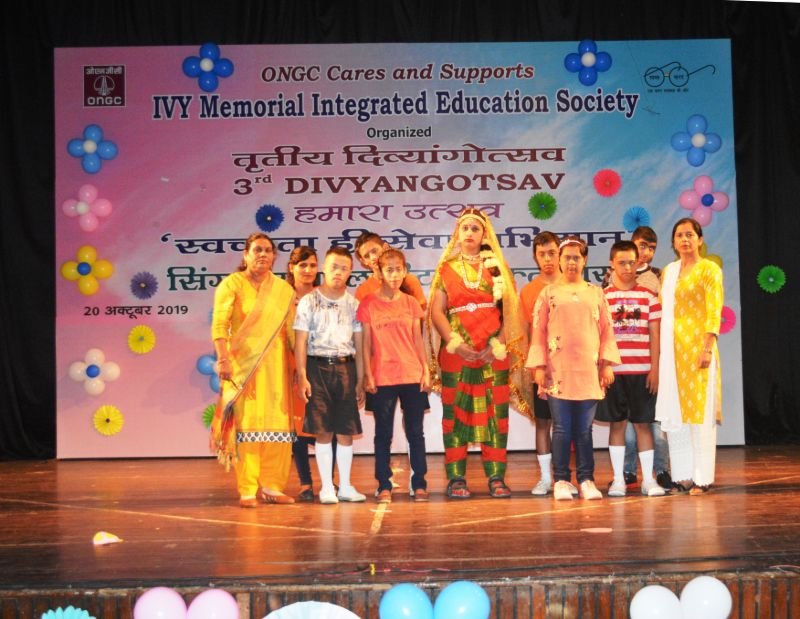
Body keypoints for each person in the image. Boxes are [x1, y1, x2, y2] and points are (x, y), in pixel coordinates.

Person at [427, 207, 530, 499]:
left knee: (496, 416)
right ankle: (456, 479)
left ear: (485, 235)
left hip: (493, 354)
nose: (470, 233)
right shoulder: (445, 269)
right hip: (456, 354)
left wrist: (496, 344)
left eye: (475, 228)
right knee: (455, 416)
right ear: (457, 234)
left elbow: (510, 311)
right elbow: (436, 311)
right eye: (465, 228)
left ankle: (496, 477)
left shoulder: (499, 268)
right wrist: (455, 342)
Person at [527, 236, 621, 501]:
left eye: (576, 257)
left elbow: (607, 331)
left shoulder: (596, 293)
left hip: (589, 371)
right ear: (560, 260)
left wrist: (606, 365)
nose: (571, 262)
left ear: (585, 260)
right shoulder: (548, 293)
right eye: (566, 257)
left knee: (584, 430)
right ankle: (560, 480)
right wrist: (539, 366)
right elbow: (538, 332)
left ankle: (586, 479)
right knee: (561, 428)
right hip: (557, 372)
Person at [211, 232, 296, 507]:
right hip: (243, 368)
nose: (262, 255)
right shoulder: (231, 284)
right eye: (257, 250)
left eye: (268, 251)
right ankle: (247, 489)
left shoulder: (283, 290)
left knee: (277, 424)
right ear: (245, 255)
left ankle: (272, 486)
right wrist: (223, 359)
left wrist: (303, 366)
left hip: (277, 369)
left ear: (274, 257)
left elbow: (293, 333)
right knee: (248, 426)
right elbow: (220, 326)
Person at [655, 218, 723, 495]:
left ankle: (702, 477)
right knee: (677, 413)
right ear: (673, 242)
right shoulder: (669, 272)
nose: (685, 240)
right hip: (673, 354)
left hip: (698, 350)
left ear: (700, 239)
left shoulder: (709, 270)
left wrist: (707, 346)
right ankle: (683, 475)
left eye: (690, 235)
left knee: (700, 413)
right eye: (680, 235)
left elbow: (714, 310)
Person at [294, 246, 366, 505]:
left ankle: (345, 486)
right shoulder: (308, 301)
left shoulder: (354, 305)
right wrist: (302, 376)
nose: (338, 272)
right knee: (323, 431)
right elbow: (300, 342)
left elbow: (359, 345)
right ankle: (326, 487)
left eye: (344, 269)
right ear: (324, 268)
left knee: (346, 431)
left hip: (346, 369)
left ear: (350, 273)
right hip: (317, 369)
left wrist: (361, 379)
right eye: (334, 267)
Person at [357, 248, 431, 503]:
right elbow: (365, 344)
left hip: (411, 374)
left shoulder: (411, 303)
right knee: (383, 434)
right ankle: (383, 484)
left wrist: (425, 369)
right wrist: (367, 375)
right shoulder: (368, 303)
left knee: (416, 432)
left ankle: (419, 483)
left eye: (399, 269)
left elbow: (418, 340)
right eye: (389, 270)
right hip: (382, 376)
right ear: (379, 272)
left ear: (405, 271)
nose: (395, 275)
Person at [596, 241, 665, 497]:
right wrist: (604, 366)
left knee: (643, 425)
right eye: (621, 262)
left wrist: (654, 369)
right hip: (615, 373)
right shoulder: (603, 298)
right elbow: (599, 337)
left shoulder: (649, 297)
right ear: (611, 264)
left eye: (631, 263)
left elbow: (655, 335)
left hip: (642, 372)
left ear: (639, 264)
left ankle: (648, 480)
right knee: (617, 426)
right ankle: (618, 480)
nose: (627, 268)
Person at [519, 231, 576, 497]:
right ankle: (545, 478)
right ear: (535, 257)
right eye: (542, 254)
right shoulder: (529, 292)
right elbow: (526, 334)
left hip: (572, 367)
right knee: (543, 423)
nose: (548, 259)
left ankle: (567, 477)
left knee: (570, 424)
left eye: (552, 253)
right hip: (543, 368)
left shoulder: (574, 286)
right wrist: (534, 368)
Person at [285, 246, 336, 502]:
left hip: (322, 368)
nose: (307, 270)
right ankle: (305, 483)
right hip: (290, 370)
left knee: (328, 426)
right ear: (291, 268)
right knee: (298, 429)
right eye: (302, 265)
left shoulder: (324, 296)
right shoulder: (282, 299)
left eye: (312, 265)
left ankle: (329, 481)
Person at [353, 231, 427, 309]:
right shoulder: (362, 291)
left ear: (385, 247)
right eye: (366, 256)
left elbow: (420, 312)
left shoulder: (409, 280)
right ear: (363, 261)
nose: (372, 257)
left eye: (374, 251)